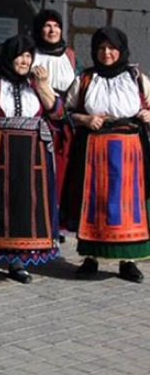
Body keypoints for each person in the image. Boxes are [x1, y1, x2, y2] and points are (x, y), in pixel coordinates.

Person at [0, 35, 61, 284]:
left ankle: (17, 260)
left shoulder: (35, 83)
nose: (25, 60)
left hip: (31, 157)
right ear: (9, 56)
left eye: (29, 56)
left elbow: (57, 112)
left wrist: (43, 86)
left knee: (23, 205)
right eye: (20, 55)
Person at [61, 27, 150, 283]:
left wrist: (148, 115)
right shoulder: (85, 79)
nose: (107, 53)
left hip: (129, 151)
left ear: (121, 50)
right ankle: (90, 258)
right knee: (95, 202)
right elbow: (64, 112)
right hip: (94, 150)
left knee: (127, 204)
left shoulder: (136, 78)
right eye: (101, 48)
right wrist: (85, 119)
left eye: (111, 48)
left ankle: (128, 262)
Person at [31, 9, 79, 203]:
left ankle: (57, 216)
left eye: (57, 26)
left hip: (62, 119)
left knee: (61, 171)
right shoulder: (30, 52)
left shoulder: (69, 55)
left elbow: (77, 84)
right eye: (47, 26)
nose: (53, 30)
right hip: (37, 116)